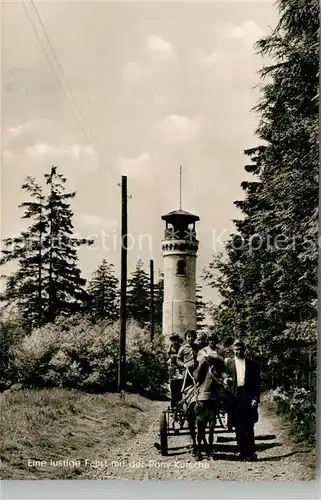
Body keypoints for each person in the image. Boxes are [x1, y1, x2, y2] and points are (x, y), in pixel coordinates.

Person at [225, 339, 261, 461]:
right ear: (232, 350)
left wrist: (255, 398)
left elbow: (257, 383)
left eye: (240, 349)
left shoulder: (252, 365)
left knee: (249, 425)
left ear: (244, 350)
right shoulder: (228, 364)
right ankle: (241, 452)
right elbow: (224, 381)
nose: (238, 351)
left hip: (248, 396)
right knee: (238, 426)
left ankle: (250, 453)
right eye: (236, 349)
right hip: (234, 397)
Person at [193, 348, 232, 460]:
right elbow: (198, 376)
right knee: (200, 426)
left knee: (211, 428)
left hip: (212, 397)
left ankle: (209, 449)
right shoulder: (204, 361)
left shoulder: (219, 362)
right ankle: (199, 449)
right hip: (201, 393)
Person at [167, 333, 183, 408]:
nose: (174, 342)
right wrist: (170, 359)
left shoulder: (181, 347)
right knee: (173, 384)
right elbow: (168, 356)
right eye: (173, 340)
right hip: (173, 368)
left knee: (181, 384)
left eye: (176, 340)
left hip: (180, 367)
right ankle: (173, 403)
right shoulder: (170, 348)